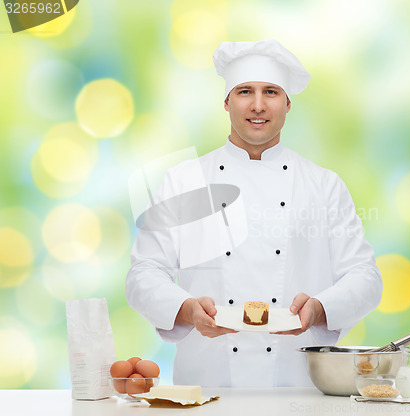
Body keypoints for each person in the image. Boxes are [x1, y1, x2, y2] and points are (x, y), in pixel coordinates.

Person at [126, 39, 382, 387]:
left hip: (298, 386)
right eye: (245, 91)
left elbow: (365, 278)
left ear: (288, 104)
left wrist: (320, 306)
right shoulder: (184, 180)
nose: (258, 105)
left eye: (271, 92)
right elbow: (143, 274)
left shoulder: (323, 185)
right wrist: (186, 309)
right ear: (227, 101)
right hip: (208, 387)